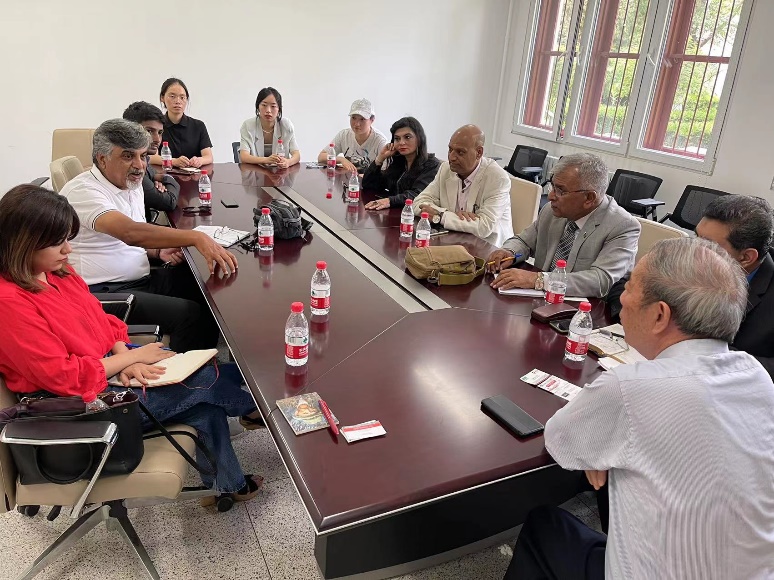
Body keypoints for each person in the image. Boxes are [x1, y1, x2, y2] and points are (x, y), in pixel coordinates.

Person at [505, 237, 774, 579]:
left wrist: (602, 451)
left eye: (630, 287)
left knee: (546, 525)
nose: (622, 299)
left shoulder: (629, 387)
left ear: (660, 314)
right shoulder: (756, 374)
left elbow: (561, 442)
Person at [0, 185, 265, 504]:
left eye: (67, 239)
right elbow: (64, 377)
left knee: (205, 390)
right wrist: (126, 362)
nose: (68, 249)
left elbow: (101, 320)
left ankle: (228, 483)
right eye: (58, 242)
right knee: (206, 380)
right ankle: (261, 412)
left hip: (105, 372)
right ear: (23, 243)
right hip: (74, 409)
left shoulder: (56, 272)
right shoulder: (10, 304)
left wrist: (125, 354)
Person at [60, 118, 237, 352]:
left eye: (143, 156)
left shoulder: (128, 183)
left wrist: (156, 251)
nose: (139, 165)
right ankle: (183, 372)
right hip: (102, 292)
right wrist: (196, 237)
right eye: (127, 156)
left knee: (203, 285)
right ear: (102, 159)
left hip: (136, 278)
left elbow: (120, 240)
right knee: (189, 314)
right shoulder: (84, 191)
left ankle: (213, 359)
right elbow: (129, 232)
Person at [608, 194, 774, 377]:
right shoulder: (692, 258)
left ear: (746, 257)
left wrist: (704, 354)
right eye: (696, 236)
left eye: (708, 244)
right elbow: (623, 285)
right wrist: (636, 317)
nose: (695, 248)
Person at [488, 153, 639, 298]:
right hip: (540, 299)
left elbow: (600, 280)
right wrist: (510, 252)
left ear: (589, 198)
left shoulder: (623, 226)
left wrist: (537, 279)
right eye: (552, 186)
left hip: (586, 308)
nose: (551, 196)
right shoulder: (552, 210)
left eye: (560, 191)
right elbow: (525, 243)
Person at [410, 125, 513, 245]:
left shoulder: (497, 178)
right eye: (450, 150)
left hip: (489, 247)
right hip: (454, 240)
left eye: (460, 152)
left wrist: (441, 216)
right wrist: (450, 215)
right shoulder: (446, 169)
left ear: (479, 153)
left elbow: (484, 227)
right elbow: (418, 203)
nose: (451, 157)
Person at [362, 116, 441, 210]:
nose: (401, 142)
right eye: (397, 138)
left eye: (407, 137)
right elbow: (369, 185)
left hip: (416, 216)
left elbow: (417, 194)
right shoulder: (399, 163)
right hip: (396, 214)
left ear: (419, 139)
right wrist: (380, 158)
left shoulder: (432, 165)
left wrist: (389, 201)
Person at [122, 101, 180, 222]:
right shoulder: (129, 165)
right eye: (149, 131)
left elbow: (153, 174)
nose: (157, 139)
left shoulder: (145, 158)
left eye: (160, 133)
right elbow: (169, 202)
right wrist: (168, 179)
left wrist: (157, 179)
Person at [149, 78, 213, 169]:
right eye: (172, 96)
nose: (178, 101)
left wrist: (199, 160)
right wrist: (173, 161)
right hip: (164, 174)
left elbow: (208, 157)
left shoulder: (198, 126)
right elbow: (151, 157)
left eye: (182, 97)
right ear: (162, 98)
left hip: (194, 175)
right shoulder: (157, 126)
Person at [316, 98, 388, 173]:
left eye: (362, 119)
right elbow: (321, 157)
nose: (357, 124)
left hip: (370, 179)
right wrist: (341, 159)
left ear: (372, 120)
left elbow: (386, 171)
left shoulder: (380, 141)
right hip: (349, 179)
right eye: (353, 118)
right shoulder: (344, 135)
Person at [238, 87, 300, 169]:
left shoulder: (286, 125)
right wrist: (266, 160)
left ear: (279, 109)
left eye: (273, 106)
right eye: (264, 105)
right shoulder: (248, 125)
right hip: (255, 172)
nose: (268, 110)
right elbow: (244, 157)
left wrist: (288, 162)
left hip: (281, 173)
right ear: (258, 107)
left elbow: (296, 155)